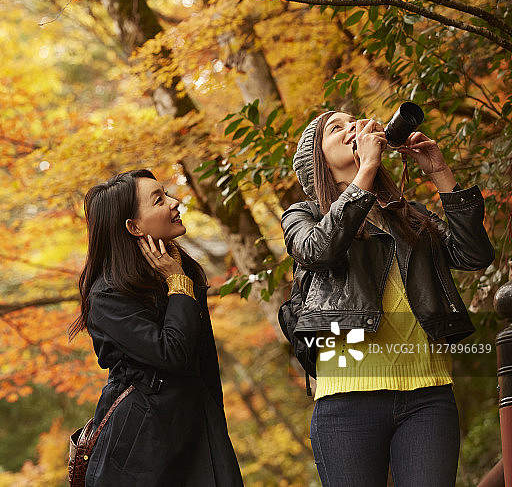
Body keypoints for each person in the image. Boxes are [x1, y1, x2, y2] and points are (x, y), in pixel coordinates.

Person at [281, 110, 495, 486]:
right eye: (337, 128)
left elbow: (474, 255)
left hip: (428, 395)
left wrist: (439, 172)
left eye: (355, 121)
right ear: (318, 161)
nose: (353, 128)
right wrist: (366, 172)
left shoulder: (409, 215)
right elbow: (319, 250)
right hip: (347, 400)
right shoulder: (303, 215)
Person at [70, 169, 243, 486]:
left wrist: (217, 428)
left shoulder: (181, 272)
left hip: (199, 430)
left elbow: (205, 365)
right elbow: (172, 353)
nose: (175, 203)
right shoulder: (108, 294)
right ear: (134, 227)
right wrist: (177, 282)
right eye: (160, 200)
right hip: (142, 449)